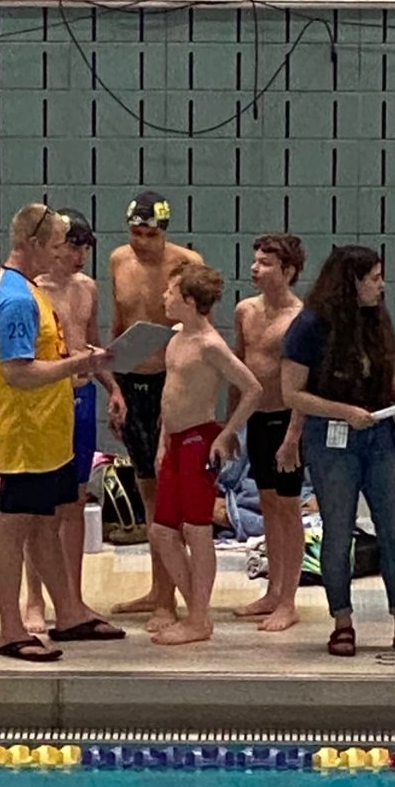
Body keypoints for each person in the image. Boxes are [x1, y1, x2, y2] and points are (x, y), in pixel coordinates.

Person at [282, 245, 395, 659]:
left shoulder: (375, 319)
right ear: (350, 282)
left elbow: (388, 368)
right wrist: (345, 412)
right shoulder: (310, 326)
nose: (381, 285)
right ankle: (342, 621)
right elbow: (292, 392)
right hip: (332, 438)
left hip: (379, 434)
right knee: (338, 533)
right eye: (374, 278)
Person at [0, 203, 119, 663]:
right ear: (34, 244)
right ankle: (9, 629)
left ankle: (71, 612)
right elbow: (18, 372)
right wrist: (79, 364)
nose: (66, 254)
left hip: (51, 428)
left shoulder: (29, 291)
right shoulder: (17, 298)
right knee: (15, 524)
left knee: (46, 523)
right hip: (27, 431)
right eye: (60, 244)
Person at [23, 208, 126, 637]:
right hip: (47, 399)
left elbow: (92, 345)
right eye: (72, 246)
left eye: (85, 248)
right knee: (38, 505)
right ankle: (33, 599)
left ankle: (72, 598)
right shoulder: (31, 292)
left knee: (74, 502)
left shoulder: (87, 288)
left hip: (81, 397)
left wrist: (113, 388)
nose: (80, 256)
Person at [150, 263, 262, 645]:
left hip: (199, 440)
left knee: (197, 531)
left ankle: (198, 618)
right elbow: (171, 393)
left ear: (186, 300)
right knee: (163, 531)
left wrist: (226, 434)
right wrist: (163, 441)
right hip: (176, 442)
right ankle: (196, 610)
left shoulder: (211, 345)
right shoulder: (177, 337)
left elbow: (253, 389)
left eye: (169, 292)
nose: (163, 297)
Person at [109, 190, 203, 629]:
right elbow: (118, 322)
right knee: (148, 489)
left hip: (172, 384)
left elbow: (199, 331)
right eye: (135, 232)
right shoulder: (117, 261)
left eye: (149, 233)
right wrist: (113, 387)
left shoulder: (187, 264)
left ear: (165, 231)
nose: (141, 241)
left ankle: (170, 599)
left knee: (169, 495)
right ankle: (157, 588)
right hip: (130, 381)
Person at [230, 233, 307, 632]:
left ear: (289, 271)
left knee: (288, 509)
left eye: (265, 263)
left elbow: (307, 385)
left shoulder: (301, 317)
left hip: (287, 421)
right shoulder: (245, 310)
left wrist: (294, 436)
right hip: (256, 421)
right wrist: (229, 427)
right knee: (267, 504)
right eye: (255, 261)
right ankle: (273, 591)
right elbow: (238, 370)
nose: (254, 269)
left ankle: (289, 599)